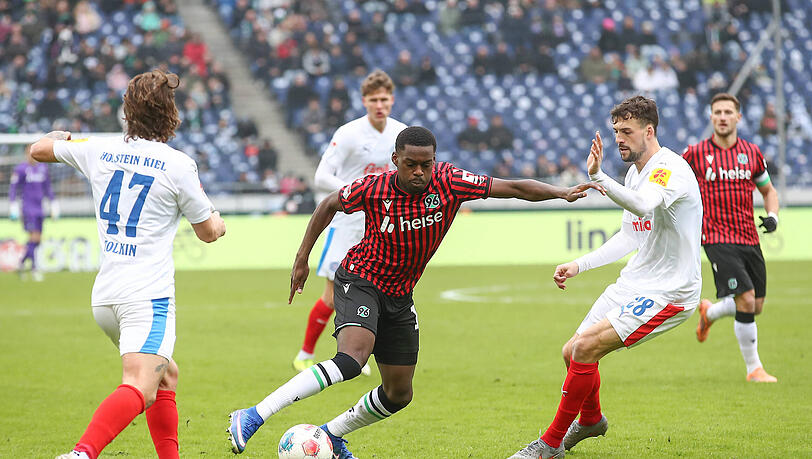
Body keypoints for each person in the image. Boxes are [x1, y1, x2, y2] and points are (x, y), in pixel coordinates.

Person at [228, 126, 603, 457]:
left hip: (400, 296)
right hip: (360, 280)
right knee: (351, 360)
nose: (420, 172)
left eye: (426, 164)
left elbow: (514, 187)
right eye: (411, 164)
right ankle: (254, 415)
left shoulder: (450, 181)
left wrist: (562, 192)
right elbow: (328, 204)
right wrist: (301, 258)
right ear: (396, 160)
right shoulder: (374, 188)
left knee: (398, 394)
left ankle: (332, 435)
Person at [31, 69, 226, 459]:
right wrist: (219, 221)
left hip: (105, 298)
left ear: (128, 113)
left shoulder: (97, 149)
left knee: (165, 374)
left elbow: (37, 150)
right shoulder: (177, 165)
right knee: (140, 383)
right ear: (170, 113)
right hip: (147, 298)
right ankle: (81, 454)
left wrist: (61, 137)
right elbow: (208, 232)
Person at [509, 95, 703, 458]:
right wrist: (579, 265)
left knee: (585, 349)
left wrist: (598, 177)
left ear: (649, 131)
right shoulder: (635, 173)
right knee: (572, 352)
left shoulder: (669, 169)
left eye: (626, 131)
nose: (619, 139)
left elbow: (645, 204)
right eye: (616, 131)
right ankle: (592, 420)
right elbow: (631, 235)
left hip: (670, 292)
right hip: (636, 281)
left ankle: (549, 445)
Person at [291, 70, 407, 376]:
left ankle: (361, 353)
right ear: (364, 101)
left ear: (392, 99)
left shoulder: (401, 133)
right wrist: (358, 191)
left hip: (384, 226)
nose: (379, 105)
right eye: (373, 100)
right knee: (332, 295)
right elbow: (321, 177)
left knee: (382, 290)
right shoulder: (349, 134)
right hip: (348, 223)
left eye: (384, 99)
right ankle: (304, 353)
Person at [683, 93, 780, 383]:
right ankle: (754, 370)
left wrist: (773, 216)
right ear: (710, 117)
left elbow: (768, 191)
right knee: (747, 299)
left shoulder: (751, 153)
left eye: (728, 112)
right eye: (717, 112)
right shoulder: (695, 154)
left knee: (756, 305)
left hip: (749, 237)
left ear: (738, 117)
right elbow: (673, 182)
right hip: (715, 237)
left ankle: (710, 312)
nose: (723, 117)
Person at [9, 145, 57, 281]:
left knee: (37, 240)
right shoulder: (20, 169)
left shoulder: (43, 169)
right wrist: (13, 205)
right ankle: (34, 268)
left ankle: (22, 263)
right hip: (28, 208)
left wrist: (53, 204)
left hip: (40, 208)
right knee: (34, 238)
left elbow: (48, 188)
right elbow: (13, 188)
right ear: (26, 154)